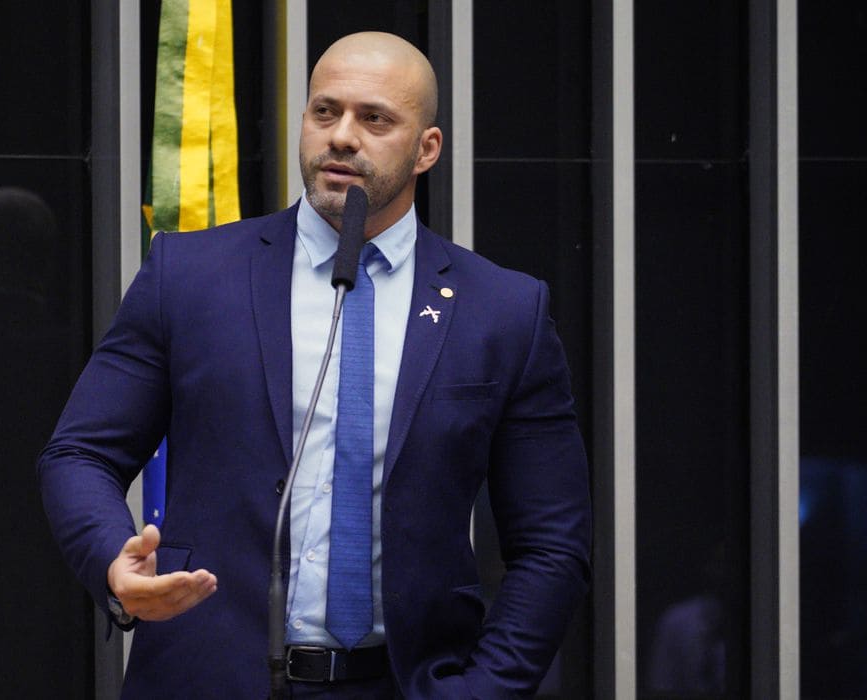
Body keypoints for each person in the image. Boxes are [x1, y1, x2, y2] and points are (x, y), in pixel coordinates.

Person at [39, 31, 591, 698]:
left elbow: (552, 544)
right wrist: (114, 563)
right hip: (204, 678)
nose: (342, 137)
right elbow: (81, 452)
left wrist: (482, 690)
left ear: (427, 149)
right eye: (325, 111)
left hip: (404, 682)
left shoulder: (503, 310)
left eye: (375, 119)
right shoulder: (189, 275)